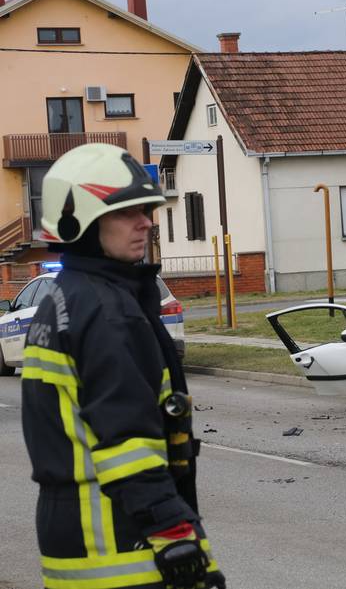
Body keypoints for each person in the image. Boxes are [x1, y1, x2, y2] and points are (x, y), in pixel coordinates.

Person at [20, 144, 225, 589]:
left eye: (146, 209)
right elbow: (127, 443)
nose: (146, 222)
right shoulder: (107, 310)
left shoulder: (62, 298)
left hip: (73, 540)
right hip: (120, 543)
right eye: (125, 212)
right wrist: (175, 535)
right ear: (81, 222)